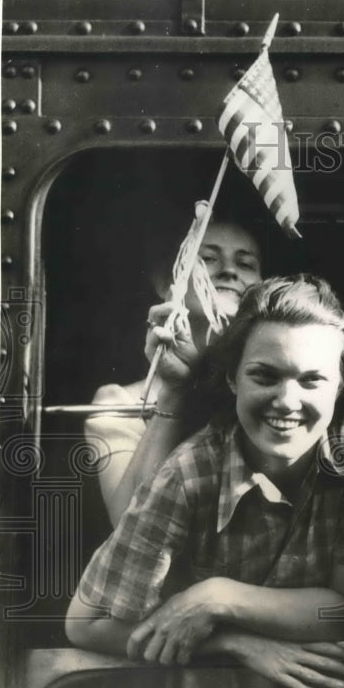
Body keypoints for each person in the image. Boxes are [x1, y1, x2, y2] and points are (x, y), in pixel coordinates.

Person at [67, 275, 344, 688]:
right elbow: (88, 622)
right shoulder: (190, 471)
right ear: (233, 379)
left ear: (338, 386)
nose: (287, 400)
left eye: (311, 380)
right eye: (265, 376)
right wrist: (232, 643)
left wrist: (216, 598)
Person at [85, 202, 264, 526]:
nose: (229, 271)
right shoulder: (118, 403)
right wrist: (172, 390)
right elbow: (129, 525)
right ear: (164, 282)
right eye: (207, 258)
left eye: (246, 263)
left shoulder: (276, 389)